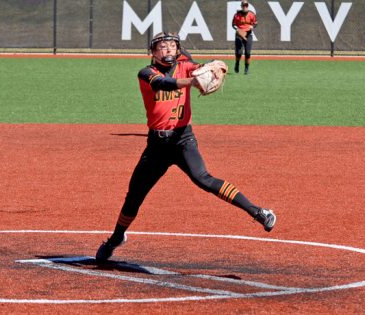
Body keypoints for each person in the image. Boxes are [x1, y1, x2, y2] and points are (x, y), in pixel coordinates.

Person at [95, 32, 276, 262]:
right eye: (162, 46)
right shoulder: (146, 73)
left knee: (204, 178)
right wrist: (193, 81)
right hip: (157, 146)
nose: (168, 49)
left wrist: (217, 66)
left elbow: (204, 68)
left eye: (172, 46)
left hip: (183, 140)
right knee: (134, 196)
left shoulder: (186, 66)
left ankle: (258, 212)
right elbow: (165, 84)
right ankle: (115, 239)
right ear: (153, 52)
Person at [232, 0, 258, 75]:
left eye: (246, 5)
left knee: (247, 53)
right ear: (241, 6)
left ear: (248, 6)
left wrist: (252, 26)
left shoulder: (251, 14)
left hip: (248, 34)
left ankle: (246, 68)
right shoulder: (237, 15)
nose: (245, 7)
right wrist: (237, 29)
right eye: (243, 5)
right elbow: (233, 24)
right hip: (239, 34)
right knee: (239, 53)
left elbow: (256, 23)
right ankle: (237, 63)